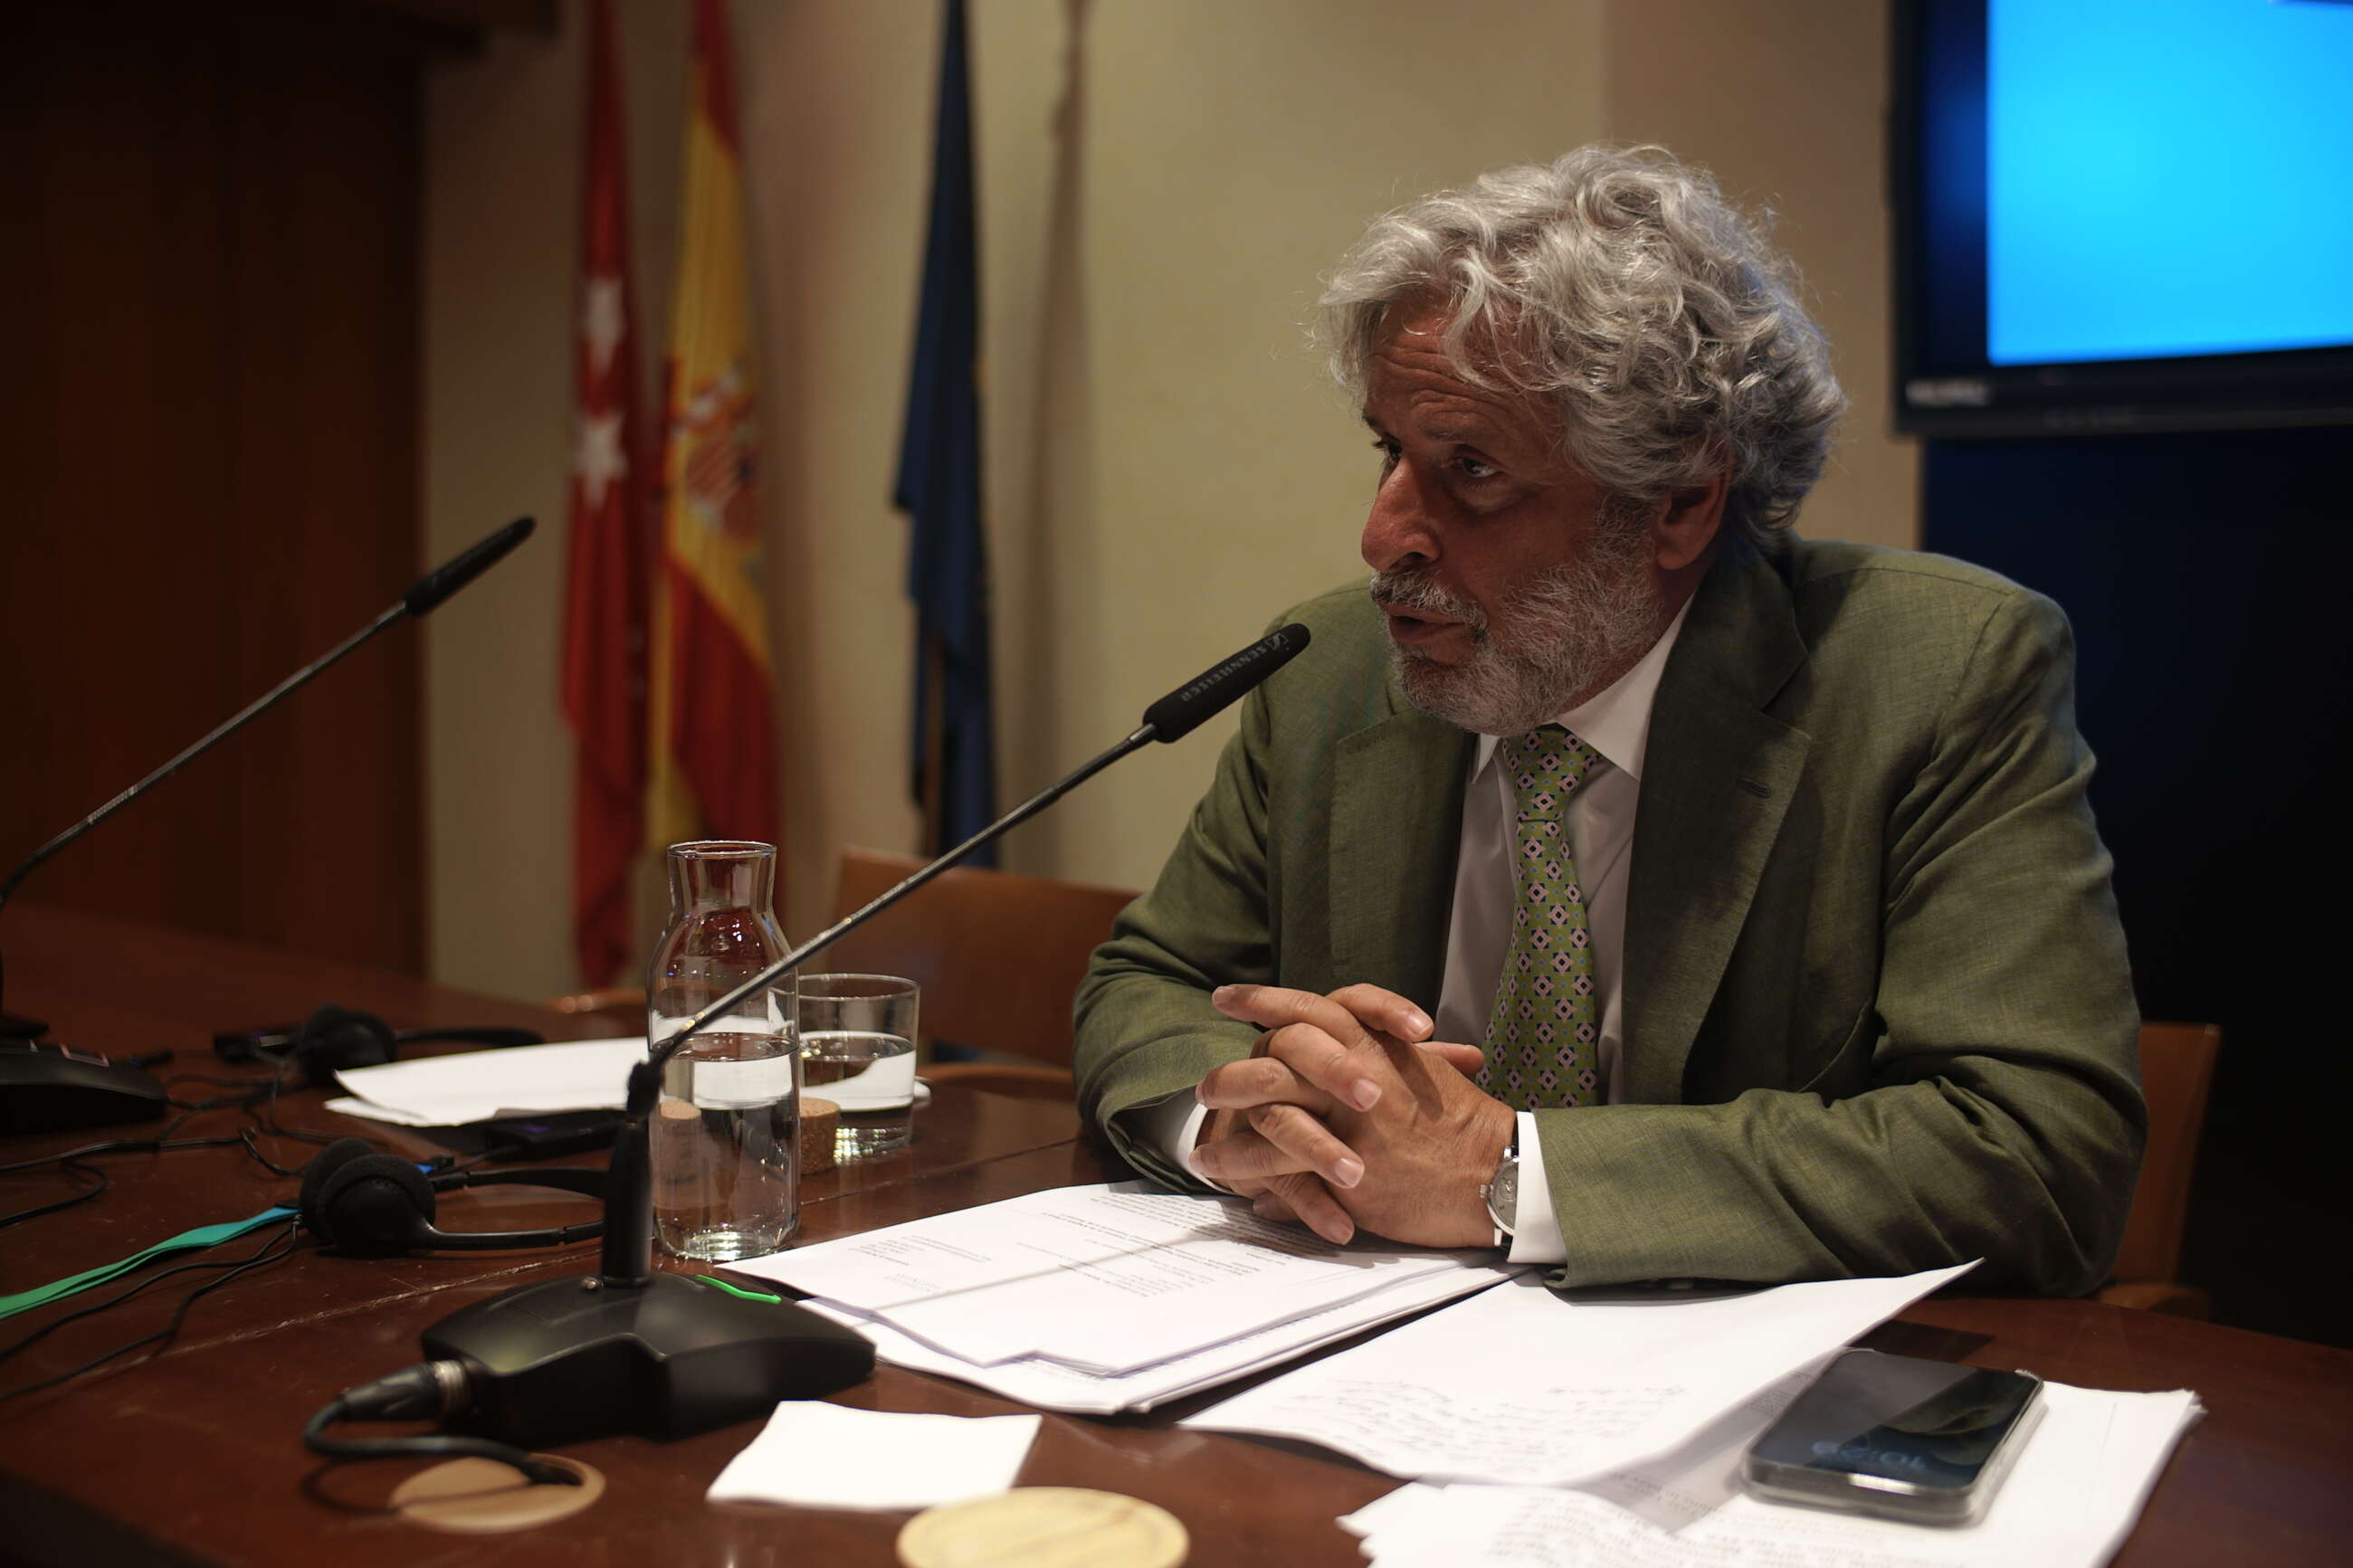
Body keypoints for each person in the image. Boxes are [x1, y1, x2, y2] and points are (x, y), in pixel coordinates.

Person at [1071, 145, 2142, 1295]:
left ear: (1679, 501)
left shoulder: (1934, 676)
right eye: (1392, 450)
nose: (1384, 539)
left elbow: (2031, 1151)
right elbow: (1147, 982)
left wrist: (1504, 1174)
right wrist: (1232, 1116)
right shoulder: (1324, 667)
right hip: (1345, 1337)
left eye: (1470, 469)